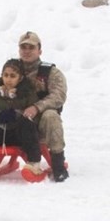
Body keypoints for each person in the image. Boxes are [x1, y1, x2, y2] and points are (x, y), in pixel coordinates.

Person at [15, 31, 69, 182]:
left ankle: (58, 165)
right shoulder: (11, 70)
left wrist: (37, 107)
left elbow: (59, 95)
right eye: (23, 47)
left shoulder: (51, 72)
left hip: (40, 121)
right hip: (17, 117)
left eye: (31, 47)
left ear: (39, 51)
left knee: (51, 116)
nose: (26, 51)